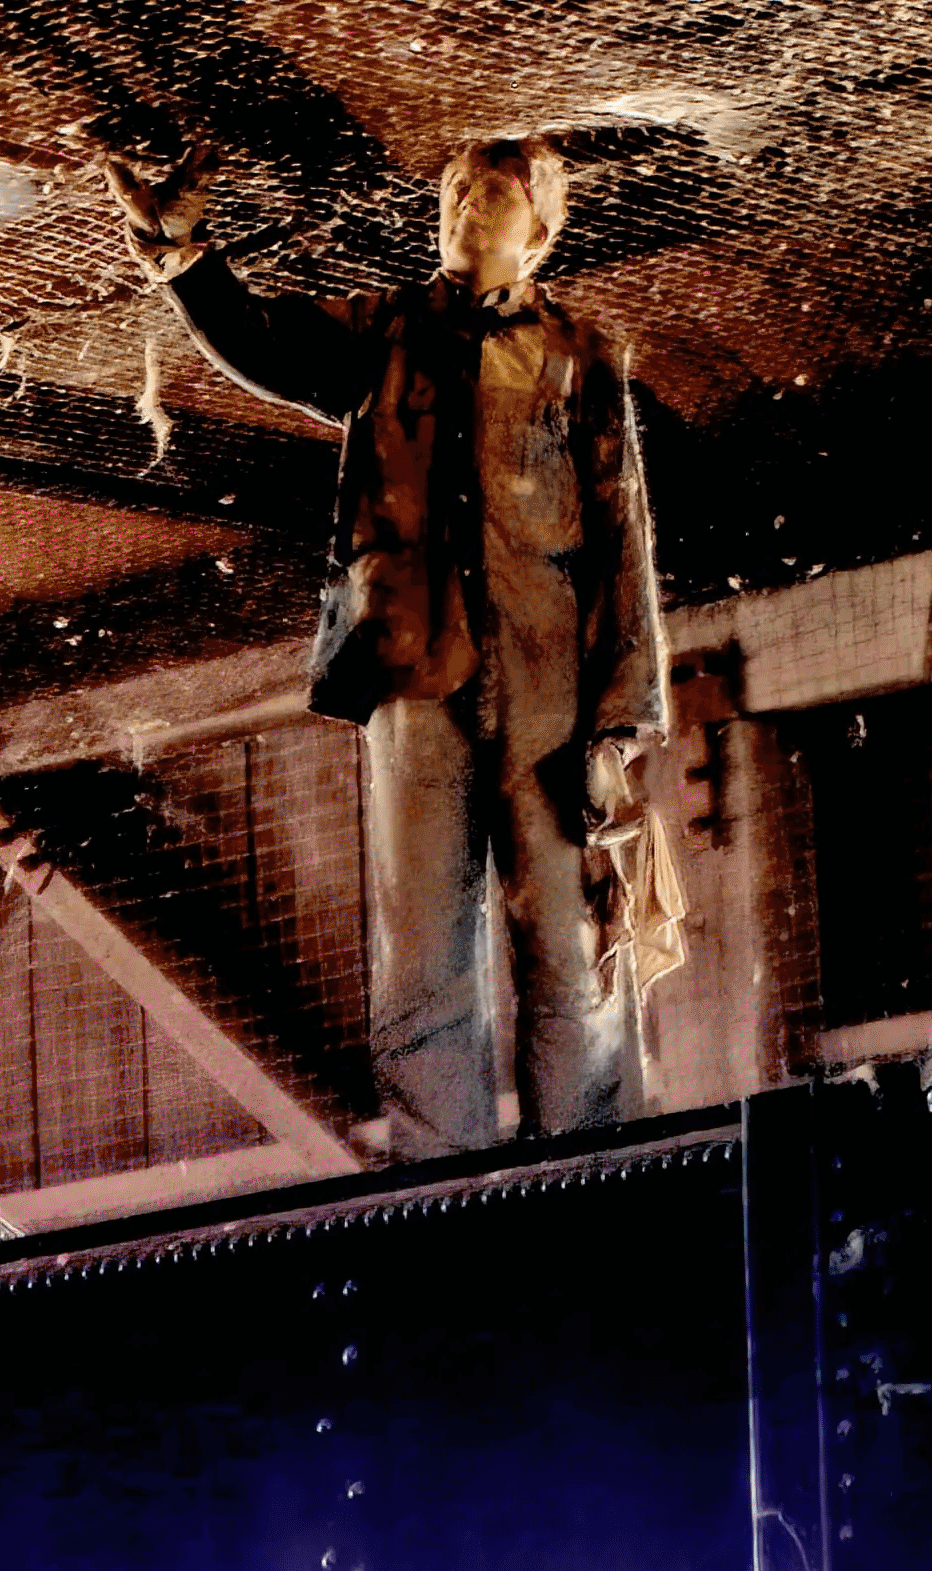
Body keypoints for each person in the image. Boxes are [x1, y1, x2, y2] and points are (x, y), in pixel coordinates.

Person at [107, 131, 667, 1151]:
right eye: (454, 189)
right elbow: (266, 344)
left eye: (491, 194)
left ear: (542, 224)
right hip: (413, 671)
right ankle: (435, 1181)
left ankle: (593, 1171)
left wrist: (621, 716)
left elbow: (620, 539)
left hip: (550, 683)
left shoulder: (581, 356)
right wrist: (186, 257)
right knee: (420, 952)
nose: (462, 206)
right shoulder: (383, 333)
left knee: (571, 942)